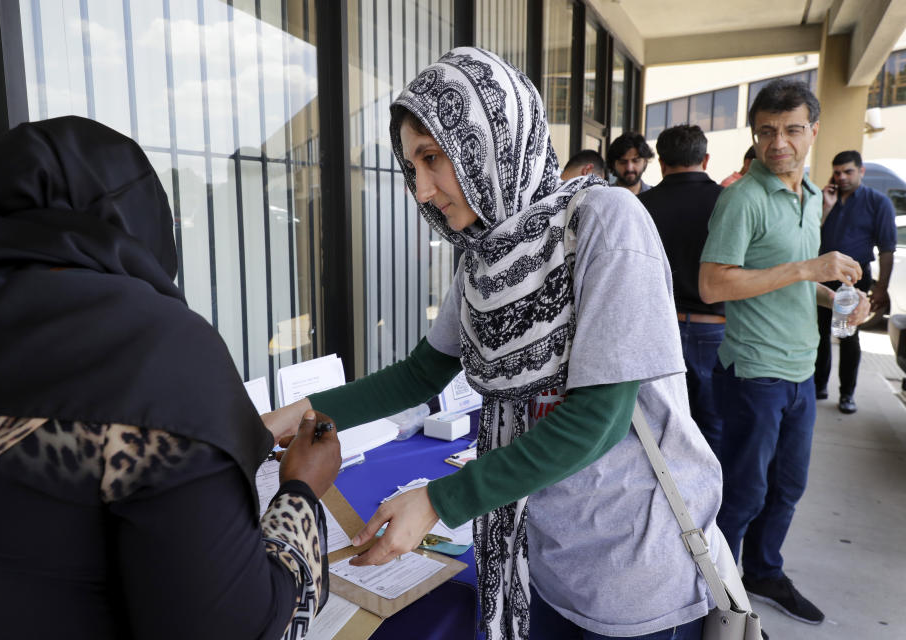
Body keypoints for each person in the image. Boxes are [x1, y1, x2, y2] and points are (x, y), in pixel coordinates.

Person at [266, 47, 723, 640]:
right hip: (542, 555)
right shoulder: (484, 260)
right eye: (411, 167)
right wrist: (291, 416)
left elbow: (599, 420)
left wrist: (439, 501)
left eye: (435, 158)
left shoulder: (605, 224)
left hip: (632, 565)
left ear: (492, 143)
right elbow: (419, 377)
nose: (423, 189)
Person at [0, 116, 341, 640]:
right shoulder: (153, 348)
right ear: (142, 218)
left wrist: (245, 436)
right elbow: (239, 627)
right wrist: (301, 491)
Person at [699, 79, 869, 626]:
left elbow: (789, 280)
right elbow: (713, 285)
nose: (779, 143)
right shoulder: (741, 198)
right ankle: (713, 595)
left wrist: (835, 294)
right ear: (755, 135)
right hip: (753, 372)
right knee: (744, 492)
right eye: (767, 131)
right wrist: (808, 269)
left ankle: (764, 571)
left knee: (788, 486)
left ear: (813, 132)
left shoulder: (815, 195)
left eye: (792, 130)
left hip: (799, 369)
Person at [639, 124, 724, 456]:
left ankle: (668, 500)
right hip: (715, 328)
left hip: (658, 327)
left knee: (660, 423)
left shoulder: (641, 206)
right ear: (705, 159)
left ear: (661, 162)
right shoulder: (727, 202)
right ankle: (710, 500)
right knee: (713, 422)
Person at [815, 150, 898, 413]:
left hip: (853, 280)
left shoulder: (877, 203)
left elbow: (887, 248)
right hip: (819, 277)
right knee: (818, 335)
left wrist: (881, 287)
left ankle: (847, 394)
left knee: (847, 335)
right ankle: (818, 387)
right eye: (837, 172)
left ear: (861, 171)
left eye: (848, 171)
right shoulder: (824, 198)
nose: (841, 177)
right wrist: (825, 208)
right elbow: (809, 236)